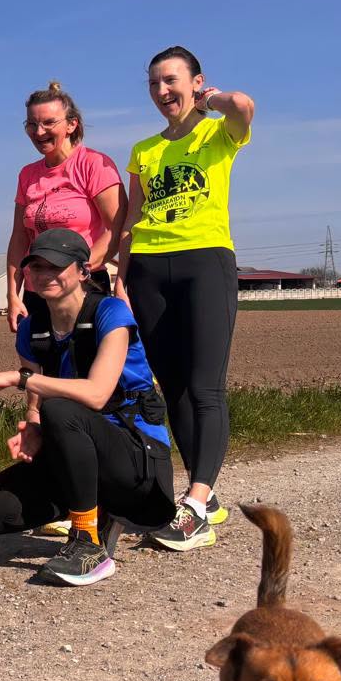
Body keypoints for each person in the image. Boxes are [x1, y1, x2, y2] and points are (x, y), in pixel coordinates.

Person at [0, 228, 177, 586]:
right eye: (37, 267)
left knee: (61, 410)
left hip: (139, 463)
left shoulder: (111, 313)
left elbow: (94, 394)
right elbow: (38, 402)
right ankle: (96, 509)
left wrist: (19, 378)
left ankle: (86, 543)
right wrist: (33, 428)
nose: (45, 275)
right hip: (80, 445)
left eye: (56, 266)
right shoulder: (33, 327)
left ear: (82, 271)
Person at [117, 46, 255, 551]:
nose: (161, 92)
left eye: (171, 81)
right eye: (154, 84)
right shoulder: (144, 150)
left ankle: (195, 504)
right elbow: (132, 220)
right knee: (172, 387)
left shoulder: (217, 133)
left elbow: (244, 107)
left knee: (205, 388)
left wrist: (212, 99)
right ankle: (207, 495)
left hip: (205, 263)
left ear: (197, 82)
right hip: (150, 270)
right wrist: (120, 279)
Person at [4, 79, 126, 536]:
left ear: (72, 125)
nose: (40, 131)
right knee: (40, 387)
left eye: (49, 123)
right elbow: (19, 237)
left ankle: (101, 493)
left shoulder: (94, 165)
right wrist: (16, 290)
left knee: (83, 387)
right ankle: (61, 488)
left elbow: (117, 226)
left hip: (82, 288)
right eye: (32, 124)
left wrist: (81, 268)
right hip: (38, 289)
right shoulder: (27, 175)